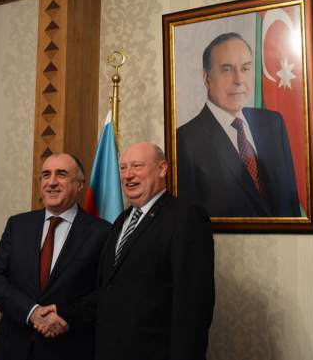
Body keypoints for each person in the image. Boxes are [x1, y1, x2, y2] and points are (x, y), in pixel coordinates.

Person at [39, 142, 215, 360]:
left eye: (137, 166)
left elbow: (193, 306)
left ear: (162, 169)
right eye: (123, 168)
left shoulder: (186, 217)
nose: (128, 175)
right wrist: (62, 313)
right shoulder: (121, 220)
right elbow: (109, 292)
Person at [0, 153, 110, 360]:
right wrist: (31, 312)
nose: (51, 182)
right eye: (46, 175)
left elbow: (105, 293)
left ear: (79, 185)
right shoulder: (18, 225)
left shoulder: (102, 232)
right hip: (13, 350)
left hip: (69, 350)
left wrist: (64, 316)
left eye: (62, 174)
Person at [176, 32, 302, 217]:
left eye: (245, 69)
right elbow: (187, 219)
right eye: (226, 69)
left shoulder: (273, 123)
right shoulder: (184, 140)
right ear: (206, 78)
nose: (239, 80)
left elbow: (291, 204)